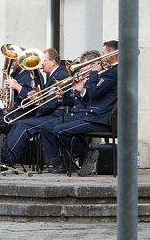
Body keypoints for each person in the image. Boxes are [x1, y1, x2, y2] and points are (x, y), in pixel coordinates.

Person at [40, 42, 118, 175]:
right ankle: (83, 156)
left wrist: (94, 73)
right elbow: (93, 96)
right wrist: (81, 91)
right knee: (54, 128)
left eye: (104, 54)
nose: (101, 57)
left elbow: (94, 92)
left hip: (99, 119)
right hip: (94, 116)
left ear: (112, 55)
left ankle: (87, 154)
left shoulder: (113, 72)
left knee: (59, 130)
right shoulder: (111, 71)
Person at [0, 48, 73, 167]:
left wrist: (37, 109)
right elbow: (47, 98)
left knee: (23, 124)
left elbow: (51, 103)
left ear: (53, 62)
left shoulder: (61, 75)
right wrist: (35, 97)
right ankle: (2, 156)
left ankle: (7, 158)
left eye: (44, 61)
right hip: (51, 114)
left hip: (57, 115)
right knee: (20, 123)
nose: (42, 64)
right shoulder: (54, 75)